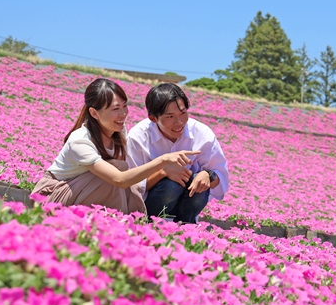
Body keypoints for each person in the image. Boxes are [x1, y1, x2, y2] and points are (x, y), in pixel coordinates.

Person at [32, 78, 200, 214]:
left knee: (120, 166)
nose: (123, 114)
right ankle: (115, 219)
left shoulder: (118, 131)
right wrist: (163, 161)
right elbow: (119, 180)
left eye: (125, 106)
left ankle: (114, 221)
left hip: (83, 190)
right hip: (51, 197)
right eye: (115, 109)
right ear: (94, 113)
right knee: (114, 173)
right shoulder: (80, 141)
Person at [127, 83, 229, 223]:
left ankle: (186, 226)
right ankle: (149, 222)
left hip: (186, 207)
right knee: (172, 184)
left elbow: (220, 180)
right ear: (153, 118)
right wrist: (163, 172)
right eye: (170, 117)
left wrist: (208, 175)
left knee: (197, 181)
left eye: (183, 113)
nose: (179, 122)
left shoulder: (203, 135)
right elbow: (131, 186)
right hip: (148, 206)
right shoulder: (138, 137)